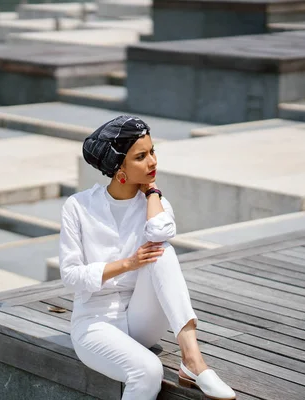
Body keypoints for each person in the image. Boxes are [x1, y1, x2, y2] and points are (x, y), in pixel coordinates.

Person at [58, 115, 236, 400]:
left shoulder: (156, 204)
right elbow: (70, 276)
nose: (153, 162)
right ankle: (191, 364)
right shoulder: (78, 207)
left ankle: (193, 359)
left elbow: (161, 231)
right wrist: (128, 264)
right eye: (141, 156)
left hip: (141, 321)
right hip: (95, 322)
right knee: (148, 370)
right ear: (119, 169)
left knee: (161, 250)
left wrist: (152, 192)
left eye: (153, 151)